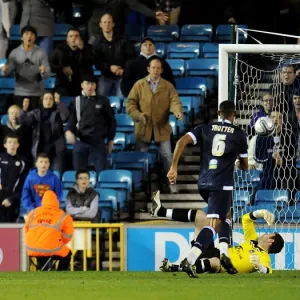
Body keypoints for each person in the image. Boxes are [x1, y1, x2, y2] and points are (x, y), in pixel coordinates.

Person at [166, 101, 248, 277]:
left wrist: (174, 167)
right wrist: (235, 162)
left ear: (219, 113)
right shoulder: (240, 134)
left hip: (203, 183)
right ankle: (189, 259)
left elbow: (181, 141)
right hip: (222, 185)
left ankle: (225, 253)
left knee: (224, 216)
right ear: (234, 114)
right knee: (213, 224)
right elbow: (245, 165)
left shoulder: (205, 128)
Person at [160, 209, 284, 275]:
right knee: (201, 216)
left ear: (271, 240)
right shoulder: (252, 239)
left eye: (269, 234)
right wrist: (260, 213)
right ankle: (161, 211)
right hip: (215, 252)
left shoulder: (263, 257)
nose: (265, 234)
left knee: (215, 262)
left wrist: (260, 267)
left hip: (220, 265)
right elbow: (246, 219)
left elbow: (268, 271)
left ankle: (173, 268)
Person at [126, 57, 183, 194]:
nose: (156, 70)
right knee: (140, 157)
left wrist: (177, 112)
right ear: (148, 69)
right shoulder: (139, 85)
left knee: (167, 156)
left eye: (158, 68)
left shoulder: (168, 86)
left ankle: (172, 184)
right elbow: (130, 104)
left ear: (162, 70)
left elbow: (175, 101)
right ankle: (139, 186)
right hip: (143, 127)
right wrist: (138, 115)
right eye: (153, 67)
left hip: (161, 127)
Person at [65, 74, 116, 174]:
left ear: (95, 85)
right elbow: (72, 120)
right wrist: (68, 131)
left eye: (92, 84)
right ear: (82, 85)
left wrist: (110, 139)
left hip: (98, 144)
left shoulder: (103, 101)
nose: (90, 87)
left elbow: (111, 121)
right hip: (81, 143)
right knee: (79, 176)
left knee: (101, 174)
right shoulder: (76, 101)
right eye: (87, 84)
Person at [1, 25, 51, 110]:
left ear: (35, 38)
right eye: (26, 34)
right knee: (21, 119)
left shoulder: (41, 52)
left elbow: (47, 74)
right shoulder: (15, 52)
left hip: (37, 93)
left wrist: (43, 72)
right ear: (21, 37)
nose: (29, 36)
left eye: (32, 34)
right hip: (20, 92)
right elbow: (7, 71)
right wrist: (5, 70)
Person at [25, 190, 73, 271]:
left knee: (41, 253)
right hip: (52, 249)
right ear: (56, 201)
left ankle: (42, 270)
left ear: (43, 200)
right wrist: (60, 241)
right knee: (67, 254)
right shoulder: (63, 215)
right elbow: (68, 235)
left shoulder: (33, 213)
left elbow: (26, 230)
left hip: (31, 248)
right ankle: (60, 274)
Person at [19, 92, 66, 174]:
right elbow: (22, 121)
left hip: (56, 150)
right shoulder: (36, 113)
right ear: (42, 101)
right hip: (39, 149)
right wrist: (24, 109)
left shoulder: (58, 112)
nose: (48, 101)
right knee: (38, 176)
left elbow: (65, 117)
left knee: (56, 175)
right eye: (46, 98)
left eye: (51, 99)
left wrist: (59, 102)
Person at [92, 13, 136, 97]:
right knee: (99, 100)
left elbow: (131, 57)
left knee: (123, 99)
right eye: (104, 22)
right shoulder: (96, 42)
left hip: (122, 74)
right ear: (100, 25)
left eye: (109, 22)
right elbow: (97, 62)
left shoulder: (123, 38)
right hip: (106, 75)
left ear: (113, 24)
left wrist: (123, 70)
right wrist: (110, 67)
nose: (107, 25)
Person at [255, 111, 298, 193]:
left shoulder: (289, 134)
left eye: (279, 117)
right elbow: (257, 157)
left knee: (288, 197)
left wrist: (283, 160)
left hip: (286, 174)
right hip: (268, 174)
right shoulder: (262, 135)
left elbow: (293, 154)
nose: (276, 120)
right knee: (262, 196)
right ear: (269, 119)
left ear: (283, 120)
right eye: (273, 117)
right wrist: (271, 157)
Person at [88, 0, 168, 40]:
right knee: (92, 47)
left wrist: (153, 14)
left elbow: (135, 5)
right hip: (95, 28)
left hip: (116, 29)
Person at [50, 28, 94, 97]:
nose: (74, 38)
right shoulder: (59, 49)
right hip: (63, 84)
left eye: (76, 36)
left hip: (81, 83)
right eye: (71, 36)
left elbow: (91, 62)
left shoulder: (87, 48)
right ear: (67, 39)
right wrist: (62, 68)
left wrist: (83, 49)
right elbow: (50, 65)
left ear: (80, 38)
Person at [0, 133, 26, 222]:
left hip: (12, 200)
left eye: (14, 142)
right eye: (10, 142)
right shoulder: (0, 158)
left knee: (9, 231)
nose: (12, 145)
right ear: (5, 145)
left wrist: (11, 199)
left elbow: (23, 185)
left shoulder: (22, 162)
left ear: (18, 145)